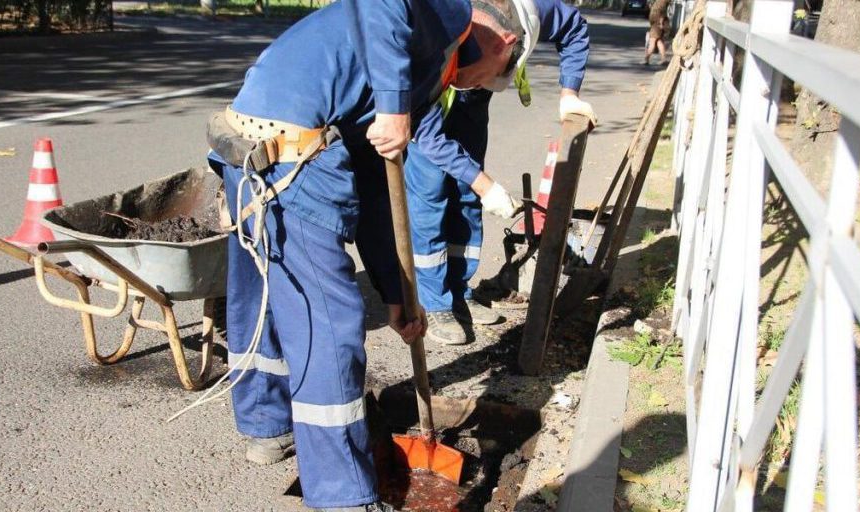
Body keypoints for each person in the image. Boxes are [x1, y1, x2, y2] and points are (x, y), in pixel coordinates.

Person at [205, 1, 528, 510]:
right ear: (504, 43)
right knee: (327, 321)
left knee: (265, 292)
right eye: (492, 78)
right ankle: (343, 496)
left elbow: (379, 191)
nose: (477, 86)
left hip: (249, 140)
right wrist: (395, 108)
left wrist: (397, 293)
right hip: (292, 150)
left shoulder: (416, 66)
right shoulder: (446, 14)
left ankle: (267, 424)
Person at [405, 0, 594, 346]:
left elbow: (574, 28)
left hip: (473, 98)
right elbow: (425, 133)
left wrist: (570, 92)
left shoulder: (530, 10)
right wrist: (485, 184)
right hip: (428, 99)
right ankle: (433, 302)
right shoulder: (440, 20)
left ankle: (459, 291)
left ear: (508, 41)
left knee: (466, 194)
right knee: (430, 196)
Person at [645, 0, 670, 65]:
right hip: (656, 24)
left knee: (652, 42)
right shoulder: (661, 3)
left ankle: (646, 59)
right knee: (659, 42)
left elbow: (662, 15)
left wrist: (661, 24)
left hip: (656, 25)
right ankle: (664, 59)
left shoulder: (661, 3)